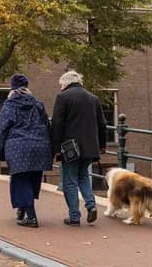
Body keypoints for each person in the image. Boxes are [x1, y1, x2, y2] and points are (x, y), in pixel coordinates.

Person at [0, 74, 53, 228]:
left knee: (20, 180)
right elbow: (47, 124)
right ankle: (22, 209)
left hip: (18, 146)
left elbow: (3, 129)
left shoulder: (9, 106)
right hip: (39, 145)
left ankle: (31, 217)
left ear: (12, 89)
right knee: (33, 178)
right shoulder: (38, 104)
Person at [50, 70, 106, 227]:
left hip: (70, 147)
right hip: (90, 146)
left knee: (69, 181)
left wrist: (56, 147)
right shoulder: (93, 98)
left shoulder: (63, 97)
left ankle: (74, 216)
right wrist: (102, 145)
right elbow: (102, 124)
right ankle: (91, 205)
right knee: (83, 176)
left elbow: (57, 124)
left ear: (65, 83)